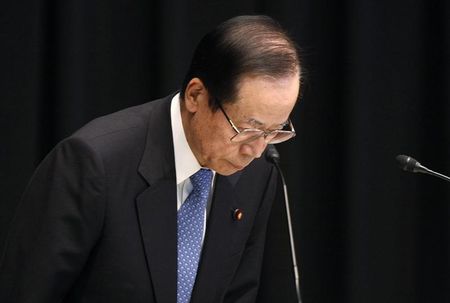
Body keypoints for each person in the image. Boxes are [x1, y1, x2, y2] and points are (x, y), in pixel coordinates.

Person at [0, 15, 301, 303]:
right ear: (196, 95)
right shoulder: (93, 165)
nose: (257, 149)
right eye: (247, 129)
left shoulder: (257, 174)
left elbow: (237, 294)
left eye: (275, 131)